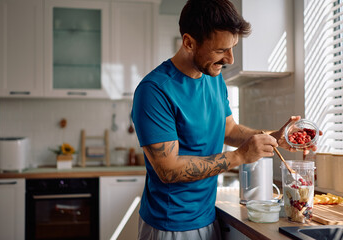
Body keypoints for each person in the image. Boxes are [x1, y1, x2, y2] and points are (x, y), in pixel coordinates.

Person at [131, 0, 316, 239]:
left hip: (208, 216)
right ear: (189, 42)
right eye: (220, 50)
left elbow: (229, 129)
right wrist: (240, 156)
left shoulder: (212, 76)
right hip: (170, 225)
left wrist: (273, 137)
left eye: (232, 48)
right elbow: (168, 169)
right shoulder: (154, 90)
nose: (229, 59)